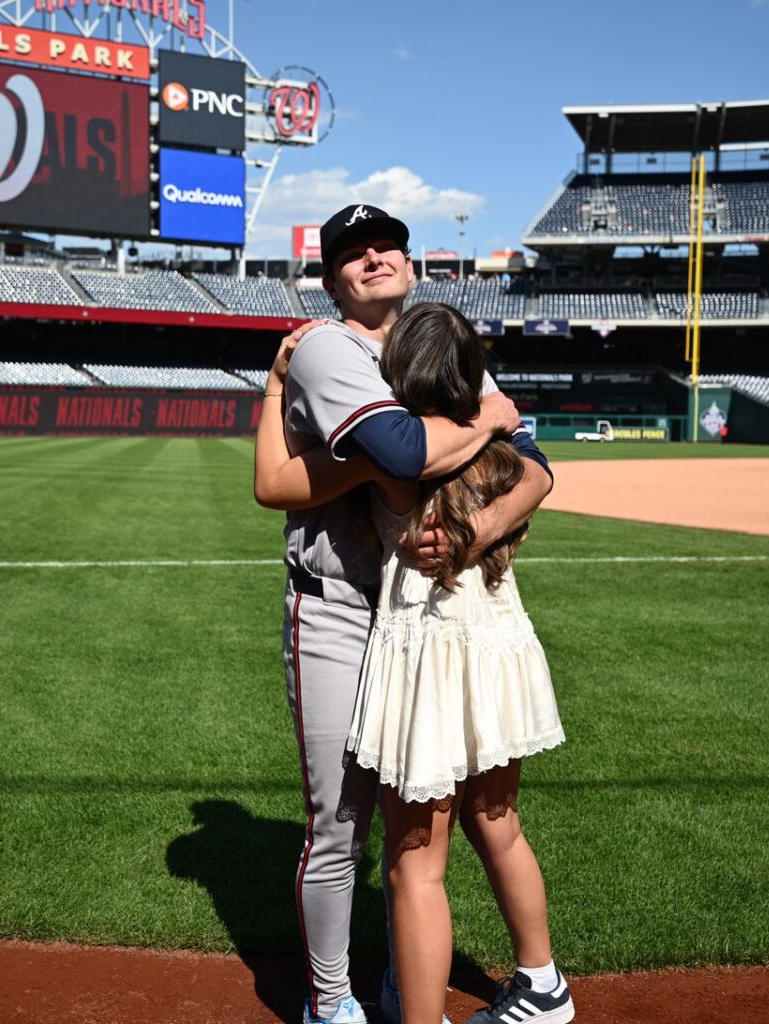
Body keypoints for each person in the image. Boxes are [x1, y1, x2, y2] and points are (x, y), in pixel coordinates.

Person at [252, 204, 555, 1024]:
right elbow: (403, 455)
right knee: (343, 823)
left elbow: (536, 470)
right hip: (345, 611)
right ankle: (330, 998)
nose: (373, 257)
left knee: (421, 829)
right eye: (352, 253)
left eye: (387, 245)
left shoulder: (436, 341)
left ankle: (406, 985)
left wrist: (476, 531)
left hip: (425, 621)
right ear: (332, 280)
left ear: (413, 265)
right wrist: (491, 417)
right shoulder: (328, 348)